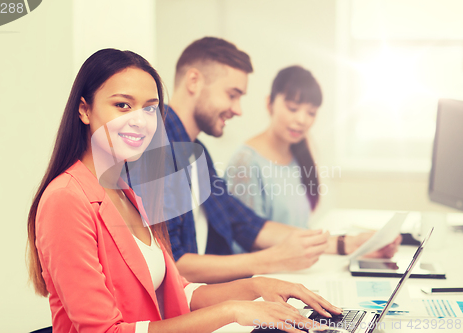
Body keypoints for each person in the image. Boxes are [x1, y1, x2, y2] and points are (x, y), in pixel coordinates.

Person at [26, 48, 341, 333]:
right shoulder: (66, 198)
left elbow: (180, 291)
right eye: (122, 105)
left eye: (150, 109)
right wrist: (234, 310)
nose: (139, 120)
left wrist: (257, 287)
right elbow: (104, 331)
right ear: (84, 110)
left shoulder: (126, 192)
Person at [164, 37, 401, 284]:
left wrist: (347, 244)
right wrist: (274, 259)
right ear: (194, 81)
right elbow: (172, 264)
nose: (238, 109)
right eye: (232, 95)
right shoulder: (156, 152)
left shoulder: (195, 152)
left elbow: (245, 224)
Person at [224, 66, 402, 255]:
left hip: (296, 266)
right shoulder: (245, 163)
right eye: (292, 108)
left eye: (311, 112)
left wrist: (355, 245)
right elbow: (247, 240)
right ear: (270, 104)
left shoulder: (298, 155)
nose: (302, 120)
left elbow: (299, 230)